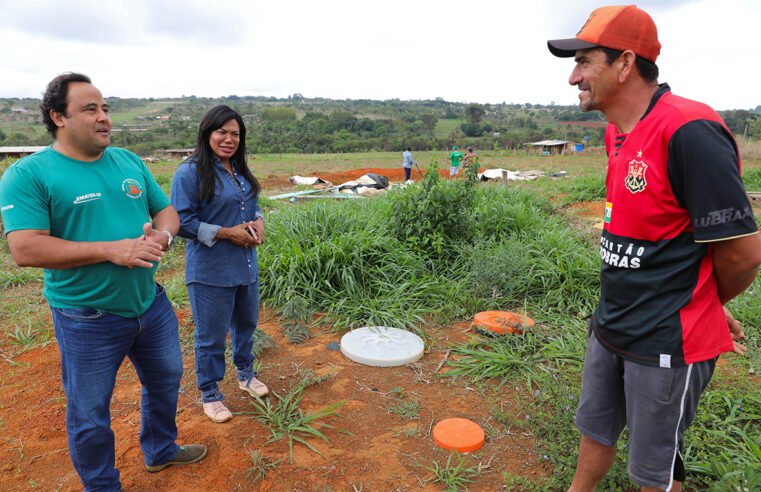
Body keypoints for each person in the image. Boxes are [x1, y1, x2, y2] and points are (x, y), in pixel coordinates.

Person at [548, 6, 761, 491]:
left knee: (654, 469)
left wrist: (704, 302)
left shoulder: (689, 130)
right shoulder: (616, 134)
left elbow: (744, 253)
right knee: (594, 427)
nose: (573, 76)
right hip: (612, 323)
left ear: (625, 64)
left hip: (666, 340)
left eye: (585, 62)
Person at [0, 72, 206, 490]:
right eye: (90, 109)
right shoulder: (29, 174)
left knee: (167, 380)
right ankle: (102, 485)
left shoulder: (127, 161)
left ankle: (161, 450)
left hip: (150, 303)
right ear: (58, 116)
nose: (103, 118)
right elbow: (25, 249)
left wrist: (162, 235)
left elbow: (166, 212)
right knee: (90, 412)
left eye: (106, 108)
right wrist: (113, 249)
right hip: (87, 318)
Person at [171, 105, 268, 424]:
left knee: (246, 325)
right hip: (210, 271)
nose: (229, 139)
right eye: (222, 132)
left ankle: (246, 374)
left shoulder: (239, 171)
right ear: (207, 133)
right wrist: (226, 233)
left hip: (245, 266)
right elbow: (181, 221)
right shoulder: (190, 172)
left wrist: (259, 221)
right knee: (210, 336)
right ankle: (210, 393)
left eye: (235, 134)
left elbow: (252, 209)